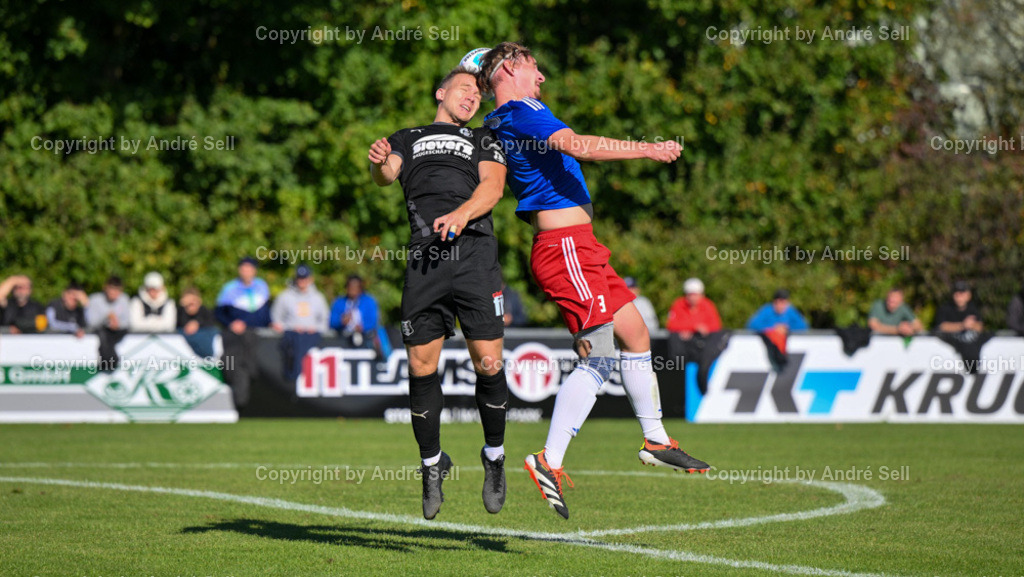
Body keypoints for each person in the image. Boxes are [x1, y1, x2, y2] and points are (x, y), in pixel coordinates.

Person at [478, 42, 709, 520]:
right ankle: (548, 459)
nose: (541, 78)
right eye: (534, 68)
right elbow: (578, 145)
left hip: (581, 245)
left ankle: (656, 439)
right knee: (599, 356)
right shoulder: (522, 110)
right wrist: (647, 148)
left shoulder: (502, 118)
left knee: (635, 333)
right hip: (565, 248)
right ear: (509, 69)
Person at [368, 65, 509, 520]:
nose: (472, 97)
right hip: (426, 258)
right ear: (440, 92)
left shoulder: (483, 138)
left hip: (474, 256)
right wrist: (378, 162)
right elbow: (386, 174)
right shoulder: (407, 137)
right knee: (420, 365)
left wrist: (462, 214)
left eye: (478, 95)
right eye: (465, 89)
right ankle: (432, 465)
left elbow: (493, 188)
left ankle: (494, 457)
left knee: (488, 363)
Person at [215, 257, 272, 408]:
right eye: (244, 268)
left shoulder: (262, 286)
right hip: (235, 336)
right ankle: (239, 401)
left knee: (252, 368)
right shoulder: (229, 288)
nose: (246, 271)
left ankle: (248, 401)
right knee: (233, 366)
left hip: (256, 334)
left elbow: (266, 313)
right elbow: (219, 313)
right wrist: (231, 323)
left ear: (254, 271)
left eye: (249, 268)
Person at [271, 264, 330, 382]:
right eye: (300, 278)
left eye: (305, 278)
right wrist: (290, 328)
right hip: (291, 339)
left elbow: (325, 320)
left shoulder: (318, 297)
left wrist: (315, 328)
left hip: (312, 339)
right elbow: (276, 319)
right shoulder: (285, 296)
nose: (302, 281)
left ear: (310, 279)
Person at [329, 275, 390, 357]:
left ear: (360, 288)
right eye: (350, 287)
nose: (353, 290)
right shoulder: (339, 302)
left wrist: (362, 327)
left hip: (365, 339)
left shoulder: (369, 301)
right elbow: (331, 322)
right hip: (342, 339)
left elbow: (373, 321)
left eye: (355, 287)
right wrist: (341, 322)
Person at [86, 276, 131, 371]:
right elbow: (91, 322)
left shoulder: (124, 299)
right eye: (111, 289)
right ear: (105, 287)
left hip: (118, 332)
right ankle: (110, 359)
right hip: (101, 331)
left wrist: (117, 324)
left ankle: (109, 359)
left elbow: (127, 322)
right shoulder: (95, 300)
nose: (113, 293)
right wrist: (107, 318)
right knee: (104, 334)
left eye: (116, 290)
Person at [177, 287, 218, 358]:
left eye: (192, 302)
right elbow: (178, 323)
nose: (190, 306)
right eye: (187, 304)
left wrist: (197, 323)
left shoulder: (205, 311)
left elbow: (211, 323)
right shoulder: (181, 312)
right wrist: (183, 308)